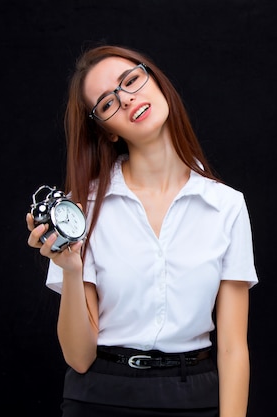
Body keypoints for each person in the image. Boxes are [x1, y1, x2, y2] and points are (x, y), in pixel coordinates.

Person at [26, 44, 259, 417]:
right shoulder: (82, 208)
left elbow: (232, 348)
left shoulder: (225, 206)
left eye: (131, 80)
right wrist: (70, 269)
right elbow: (79, 358)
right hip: (100, 397)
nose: (128, 99)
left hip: (194, 397)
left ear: (156, 81)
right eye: (107, 103)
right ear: (106, 131)